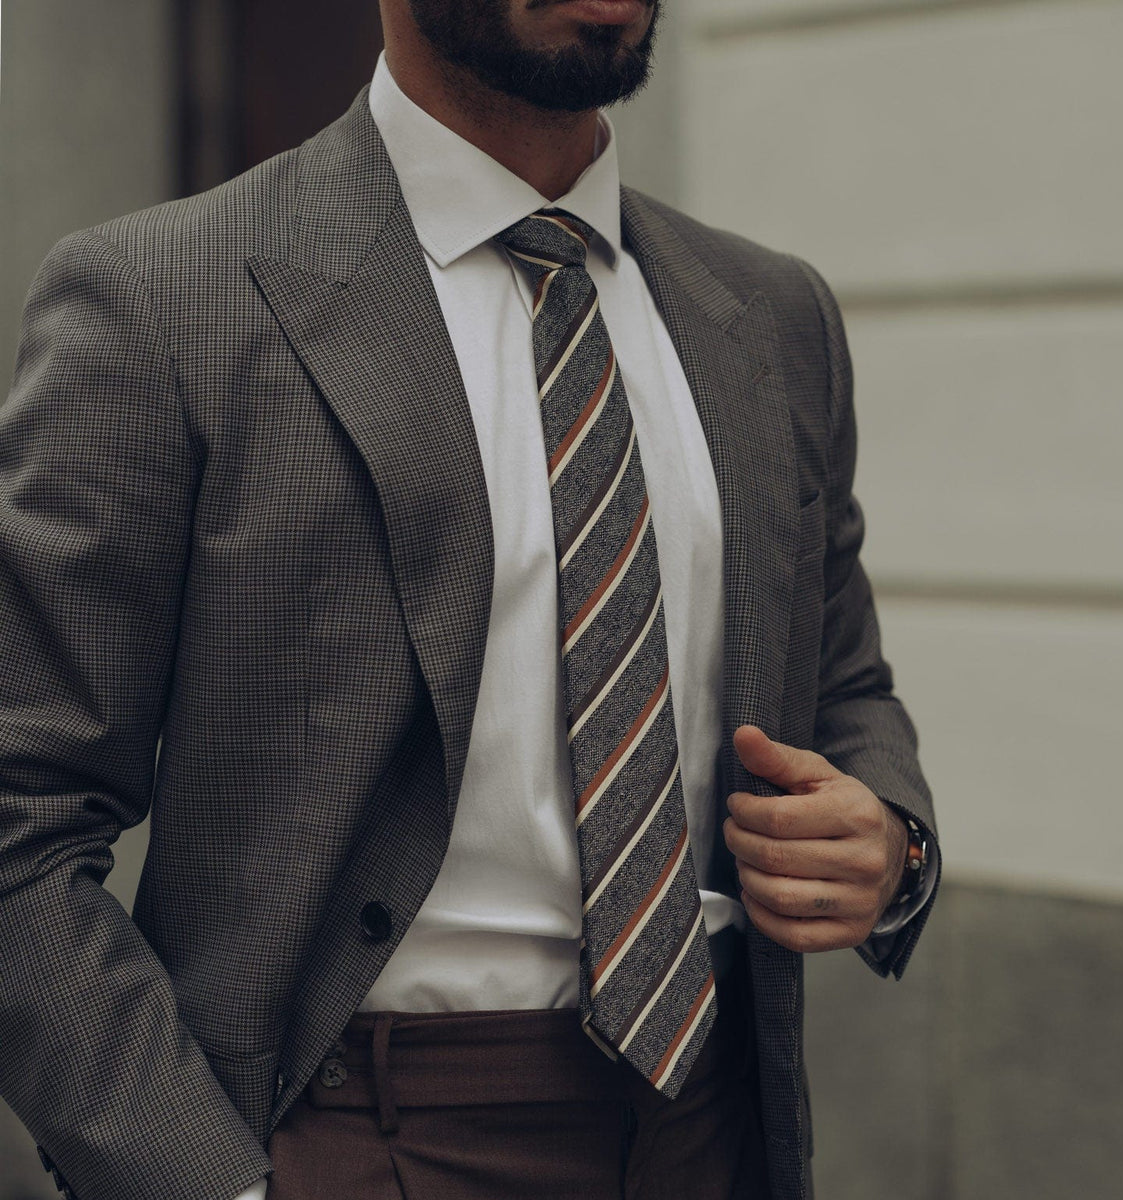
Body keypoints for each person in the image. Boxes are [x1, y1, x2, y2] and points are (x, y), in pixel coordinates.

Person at [0, 2, 940, 1198]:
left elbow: (845, 683)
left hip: (712, 1129)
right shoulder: (157, 300)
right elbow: (18, 812)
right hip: (348, 1133)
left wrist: (887, 839)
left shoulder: (775, 314)